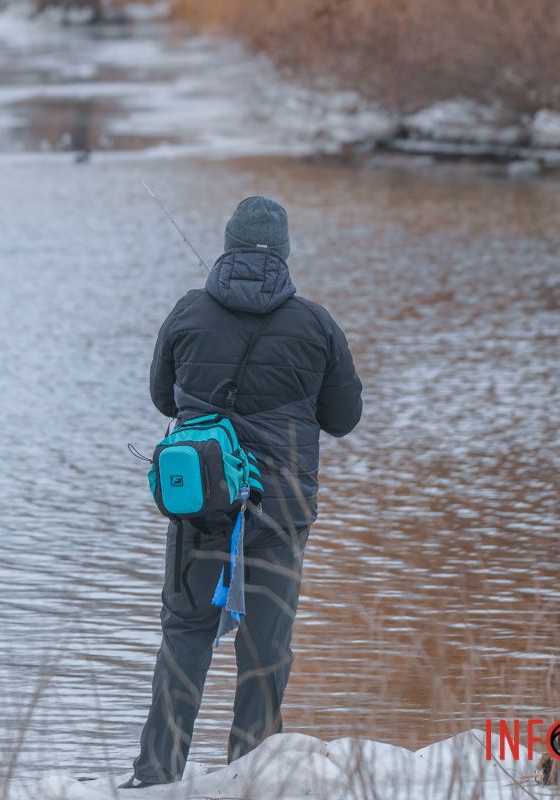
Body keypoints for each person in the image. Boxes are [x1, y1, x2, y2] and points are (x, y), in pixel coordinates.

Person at [122, 196, 363, 788]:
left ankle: (156, 775)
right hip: (280, 513)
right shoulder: (314, 324)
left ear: (228, 245)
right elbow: (344, 417)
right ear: (282, 253)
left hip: (202, 506)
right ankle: (250, 778)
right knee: (265, 652)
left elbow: (163, 398)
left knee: (185, 636)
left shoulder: (188, 312)